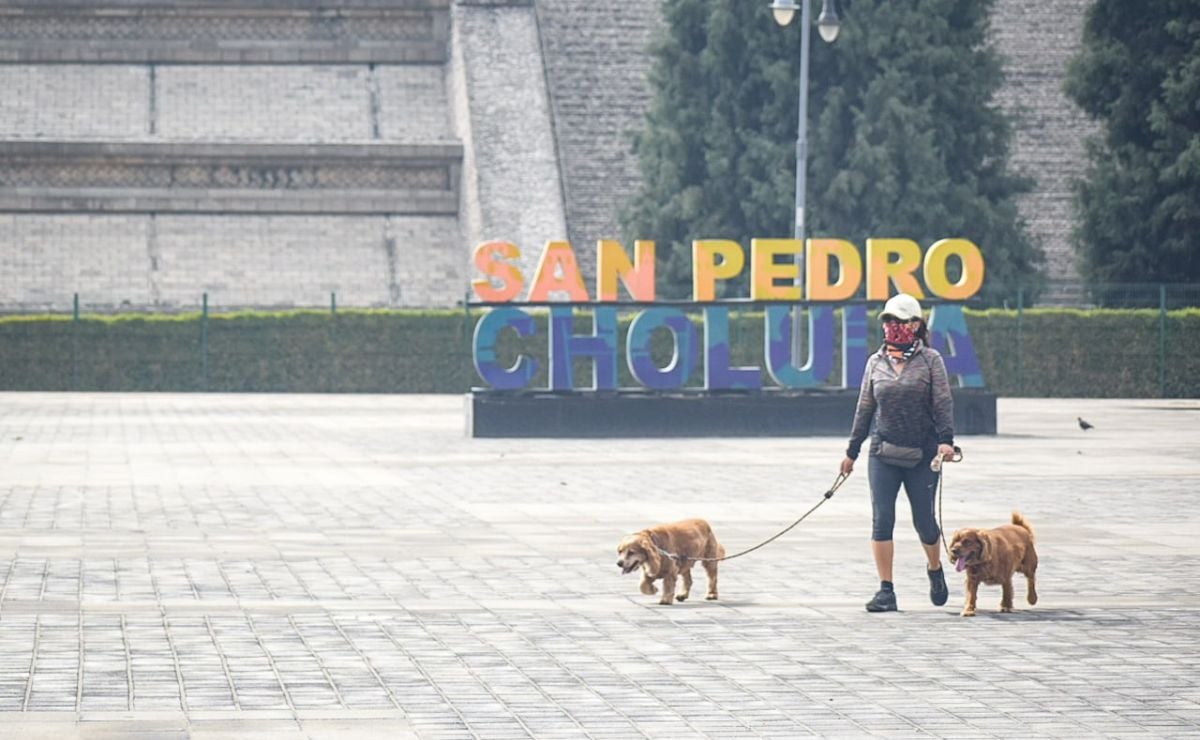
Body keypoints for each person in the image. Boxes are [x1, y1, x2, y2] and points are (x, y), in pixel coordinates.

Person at [840, 293, 956, 612]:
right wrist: (852, 451)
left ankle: (934, 568)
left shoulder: (931, 360)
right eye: (888, 321)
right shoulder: (874, 362)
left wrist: (946, 440)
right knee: (882, 520)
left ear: (915, 325)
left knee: (925, 522)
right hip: (882, 452)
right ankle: (886, 590)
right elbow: (865, 408)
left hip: (923, 454)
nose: (893, 327)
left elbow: (943, 403)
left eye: (900, 321)